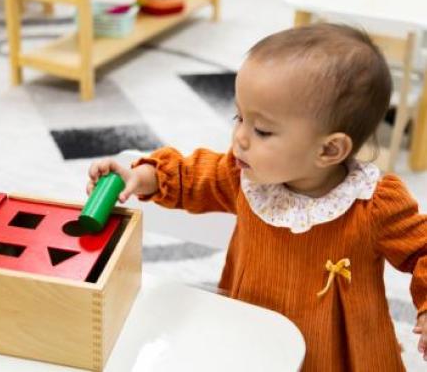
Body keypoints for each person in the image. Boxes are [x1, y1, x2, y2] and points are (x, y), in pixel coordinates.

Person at [86, 23, 427, 371]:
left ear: (330, 149)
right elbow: (190, 176)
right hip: (252, 334)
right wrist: (142, 176)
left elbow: (422, 248)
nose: (240, 138)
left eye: (262, 130)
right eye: (239, 117)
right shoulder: (242, 176)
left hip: (335, 354)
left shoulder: (373, 204)